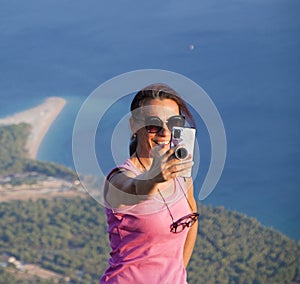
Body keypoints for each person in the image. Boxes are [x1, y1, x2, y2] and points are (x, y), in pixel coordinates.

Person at [100, 83, 199, 284]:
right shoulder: (119, 179)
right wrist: (154, 178)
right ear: (134, 126)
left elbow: (191, 219)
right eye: (154, 124)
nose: (164, 132)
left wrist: (177, 274)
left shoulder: (180, 173)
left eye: (173, 123)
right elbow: (134, 188)